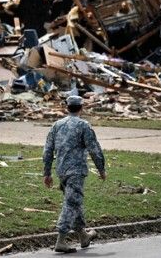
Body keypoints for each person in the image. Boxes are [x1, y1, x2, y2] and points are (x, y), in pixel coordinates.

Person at [43, 95, 106, 253]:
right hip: (76, 171)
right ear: (81, 108)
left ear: (67, 107)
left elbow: (48, 150)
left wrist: (47, 172)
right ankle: (61, 240)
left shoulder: (57, 125)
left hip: (61, 170)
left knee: (74, 201)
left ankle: (83, 236)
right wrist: (101, 169)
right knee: (71, 203)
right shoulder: (83, 125)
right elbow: (94, 149)